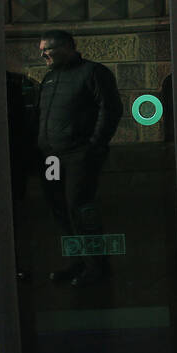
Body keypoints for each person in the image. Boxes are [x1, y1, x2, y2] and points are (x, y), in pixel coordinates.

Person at [36, 29, 123, 287]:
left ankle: (98, 268)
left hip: (79, 156)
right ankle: (81, 262)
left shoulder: (94, 73)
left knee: (80, 210)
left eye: (47, 50)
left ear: (66, 48)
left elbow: (111, 109)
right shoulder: (50, 78)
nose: (42, 55)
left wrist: (94, 146)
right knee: (61, 210)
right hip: (50, 158)